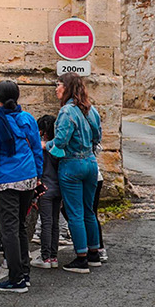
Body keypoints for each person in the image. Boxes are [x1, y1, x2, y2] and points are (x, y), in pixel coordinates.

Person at [0, 80, 43, 293]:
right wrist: (38, 174)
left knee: (9, 229)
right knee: (19, 227)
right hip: (28, 177)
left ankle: (15, 278)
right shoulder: (27, 118)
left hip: (6, 180)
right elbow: (36, 148)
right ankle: (23, 273)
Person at [51, 74, 103, 274]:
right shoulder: (92, 110)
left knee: (75, 213)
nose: (56, 89)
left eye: (58, 85)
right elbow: (97, 137)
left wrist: (46, 146)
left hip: (71, 164)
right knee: (89, 210)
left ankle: (81, 258)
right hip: (90, 162)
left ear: (67, 88)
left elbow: (61, 141)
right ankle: (93, 253)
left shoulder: (66, 111)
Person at [34, 114, 63, 269]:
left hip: (45, 187)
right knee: (55, 222)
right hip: (58, 187)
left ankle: (45, 256)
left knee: (46, 222)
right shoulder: (57, 147)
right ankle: (53, 255)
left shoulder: (40, 147)